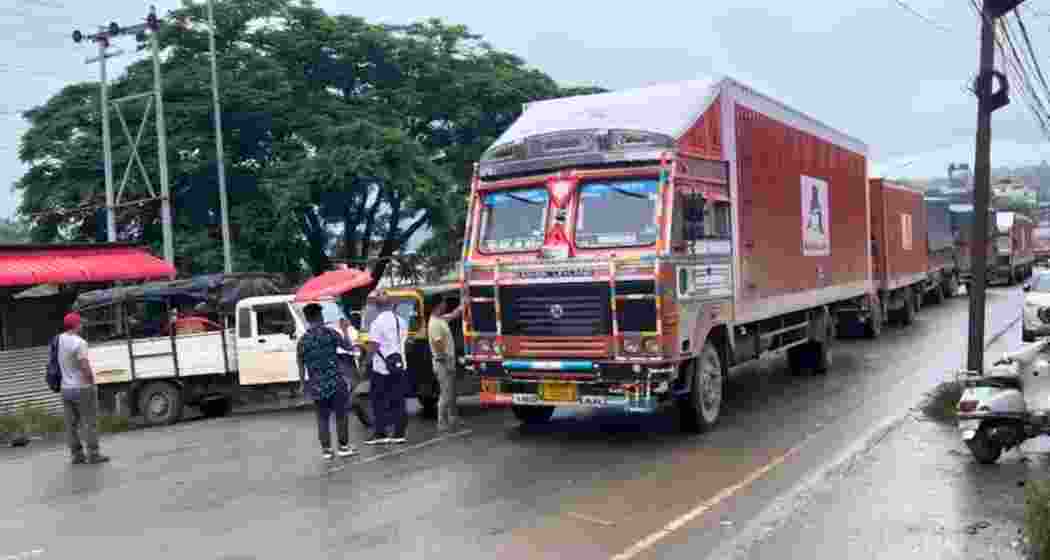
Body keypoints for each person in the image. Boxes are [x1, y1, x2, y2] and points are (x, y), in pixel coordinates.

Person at [297, 303, 356, 460]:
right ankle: (343, 447)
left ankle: (327, 450)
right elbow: (349, 347)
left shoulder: (303, 341)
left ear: (307, 319)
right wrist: (344, 329)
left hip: (316, 385)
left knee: (322, 418)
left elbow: (301, 364)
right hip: (335, 382)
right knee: (341, 415)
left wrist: (303, 384)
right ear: (320, 316)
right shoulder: (330, 333)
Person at [58, 312, 109, 465]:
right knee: (89, 422)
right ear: (76, 326)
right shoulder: (80, 343)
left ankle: (77, 455)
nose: (82, 325)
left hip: (65, 388)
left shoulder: (58, 340)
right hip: (82, 387)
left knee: (71, 424)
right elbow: (84, 365)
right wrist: (92, 382)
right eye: (80, 323)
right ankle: (93, 454)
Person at [365, 289, 409, 445]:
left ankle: (381, 433)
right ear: (390, 304)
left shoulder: (376, 323)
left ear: (377, 307)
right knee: (398, 400)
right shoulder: (401, 321)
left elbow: (373, 346)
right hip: (399, 366)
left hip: (382, 369)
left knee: (379, 401)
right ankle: (399, 433)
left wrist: (366, 362)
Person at [428, 295, 464, 432]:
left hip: (446, 361)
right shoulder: (435, 323)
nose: (445, 304)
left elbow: (454, 314)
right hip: (442, 363)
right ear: (438, 305)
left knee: (451, 392)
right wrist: (446, 361)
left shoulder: (440, 319)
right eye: (443, 302)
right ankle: (442, 422)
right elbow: (438, 345)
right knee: (446, 393)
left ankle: (452, 420)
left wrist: (463, 305)